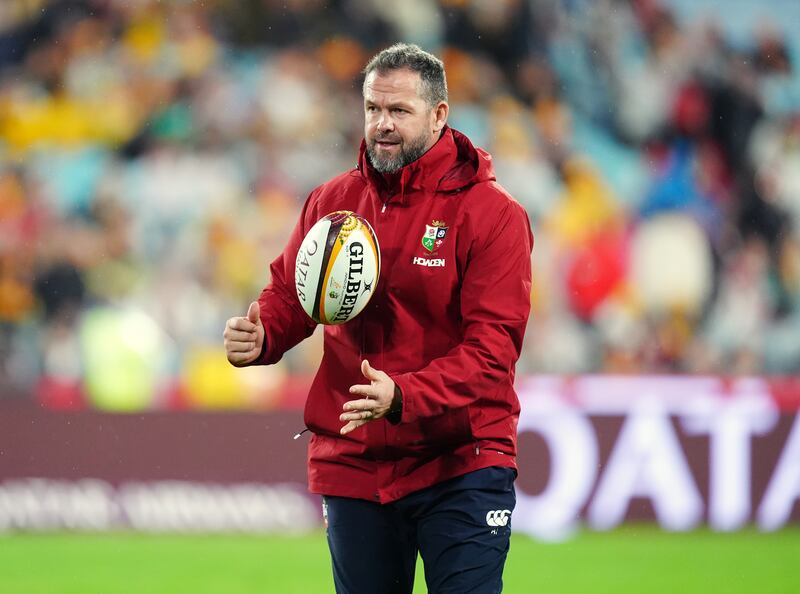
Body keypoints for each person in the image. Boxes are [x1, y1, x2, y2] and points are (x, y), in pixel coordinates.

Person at [224, 43, 533, 594]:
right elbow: (293, 295)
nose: (382, 125)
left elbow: (493, 353)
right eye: (372, 109)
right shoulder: (331, 201)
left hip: (460, 460)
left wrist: (404, 397)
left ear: (440, 115)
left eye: (398, 112)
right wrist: (265, 333)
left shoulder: (493, 215)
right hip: (355, 458)